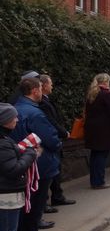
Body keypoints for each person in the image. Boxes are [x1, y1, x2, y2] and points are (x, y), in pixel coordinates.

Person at [11, 77, 62, 231]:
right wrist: (58, 143)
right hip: (38, 167)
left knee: (22, 210)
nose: (42, 91)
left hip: (19, 164)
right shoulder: (35, 113)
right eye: (40, 88)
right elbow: (51, 140)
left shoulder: (14, 109)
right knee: (33, 213)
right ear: (34, 91)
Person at [38, 75, 76, 215]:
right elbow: (51, 122)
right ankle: (45, 202)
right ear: (43, 85)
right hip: (50, 140)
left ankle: (57, 196)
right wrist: (63, 132)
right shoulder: (42, 102)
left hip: (54, 138)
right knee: (49, 172)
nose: (52, 86)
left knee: (55, 170)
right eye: (50, 84)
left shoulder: (46, 100)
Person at [0, 103, 39, 231]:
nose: (17, 120)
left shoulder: (5, 139)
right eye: (14, 117)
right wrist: (30, 153)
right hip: (6, 197)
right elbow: (13, 170)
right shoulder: (3, 143)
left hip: (6, 194)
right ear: (5, 121)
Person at [84, 73, 110, 189]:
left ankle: (94, 180)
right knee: (101, 156)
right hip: (104, 130)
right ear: (106, 82)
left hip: (93, 129)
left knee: (95, 155)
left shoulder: (92, 93)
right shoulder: (106, 94)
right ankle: (99, 181)